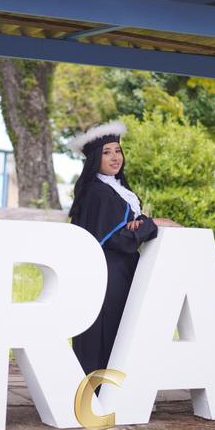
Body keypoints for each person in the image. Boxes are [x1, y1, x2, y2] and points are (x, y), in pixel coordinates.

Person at [67, 120, 176, 377]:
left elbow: (125, 228)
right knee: (104, 334)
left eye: (118, 150)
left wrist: (139, 224)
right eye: (107, 152)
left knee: (120, 335)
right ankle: (95, 392)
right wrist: (150, 224)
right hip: (108, 274)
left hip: (122, 271)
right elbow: (119, 240)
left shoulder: (116, 187)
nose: (115, 157)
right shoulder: (97, 192)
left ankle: (111, 391)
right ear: (95, 158)